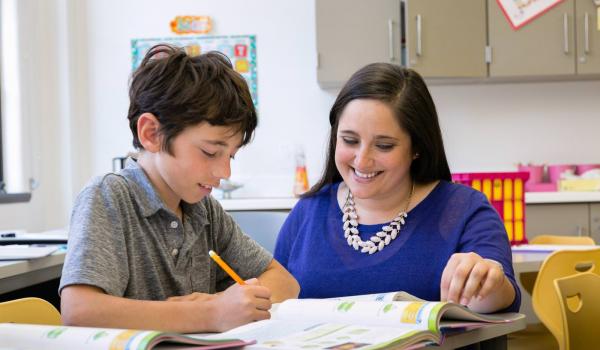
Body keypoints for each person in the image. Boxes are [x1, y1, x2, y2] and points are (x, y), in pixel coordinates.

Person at [59, 44, 300, 333]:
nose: (224, 173)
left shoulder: (203, 210)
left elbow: (285, 282)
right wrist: (209, 313)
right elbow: (80, 310)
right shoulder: (109, 196)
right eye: (211, 152)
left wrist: (229, 303)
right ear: (152, 134)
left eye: (231, 156)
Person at [274, 63, 520, 314]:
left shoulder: (464, 209)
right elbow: (275, 302)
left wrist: (488, 280)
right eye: (349, 140)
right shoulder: (309, 210)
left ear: (417, 147)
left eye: (384, 145)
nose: (362, 160)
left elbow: (500, 299)